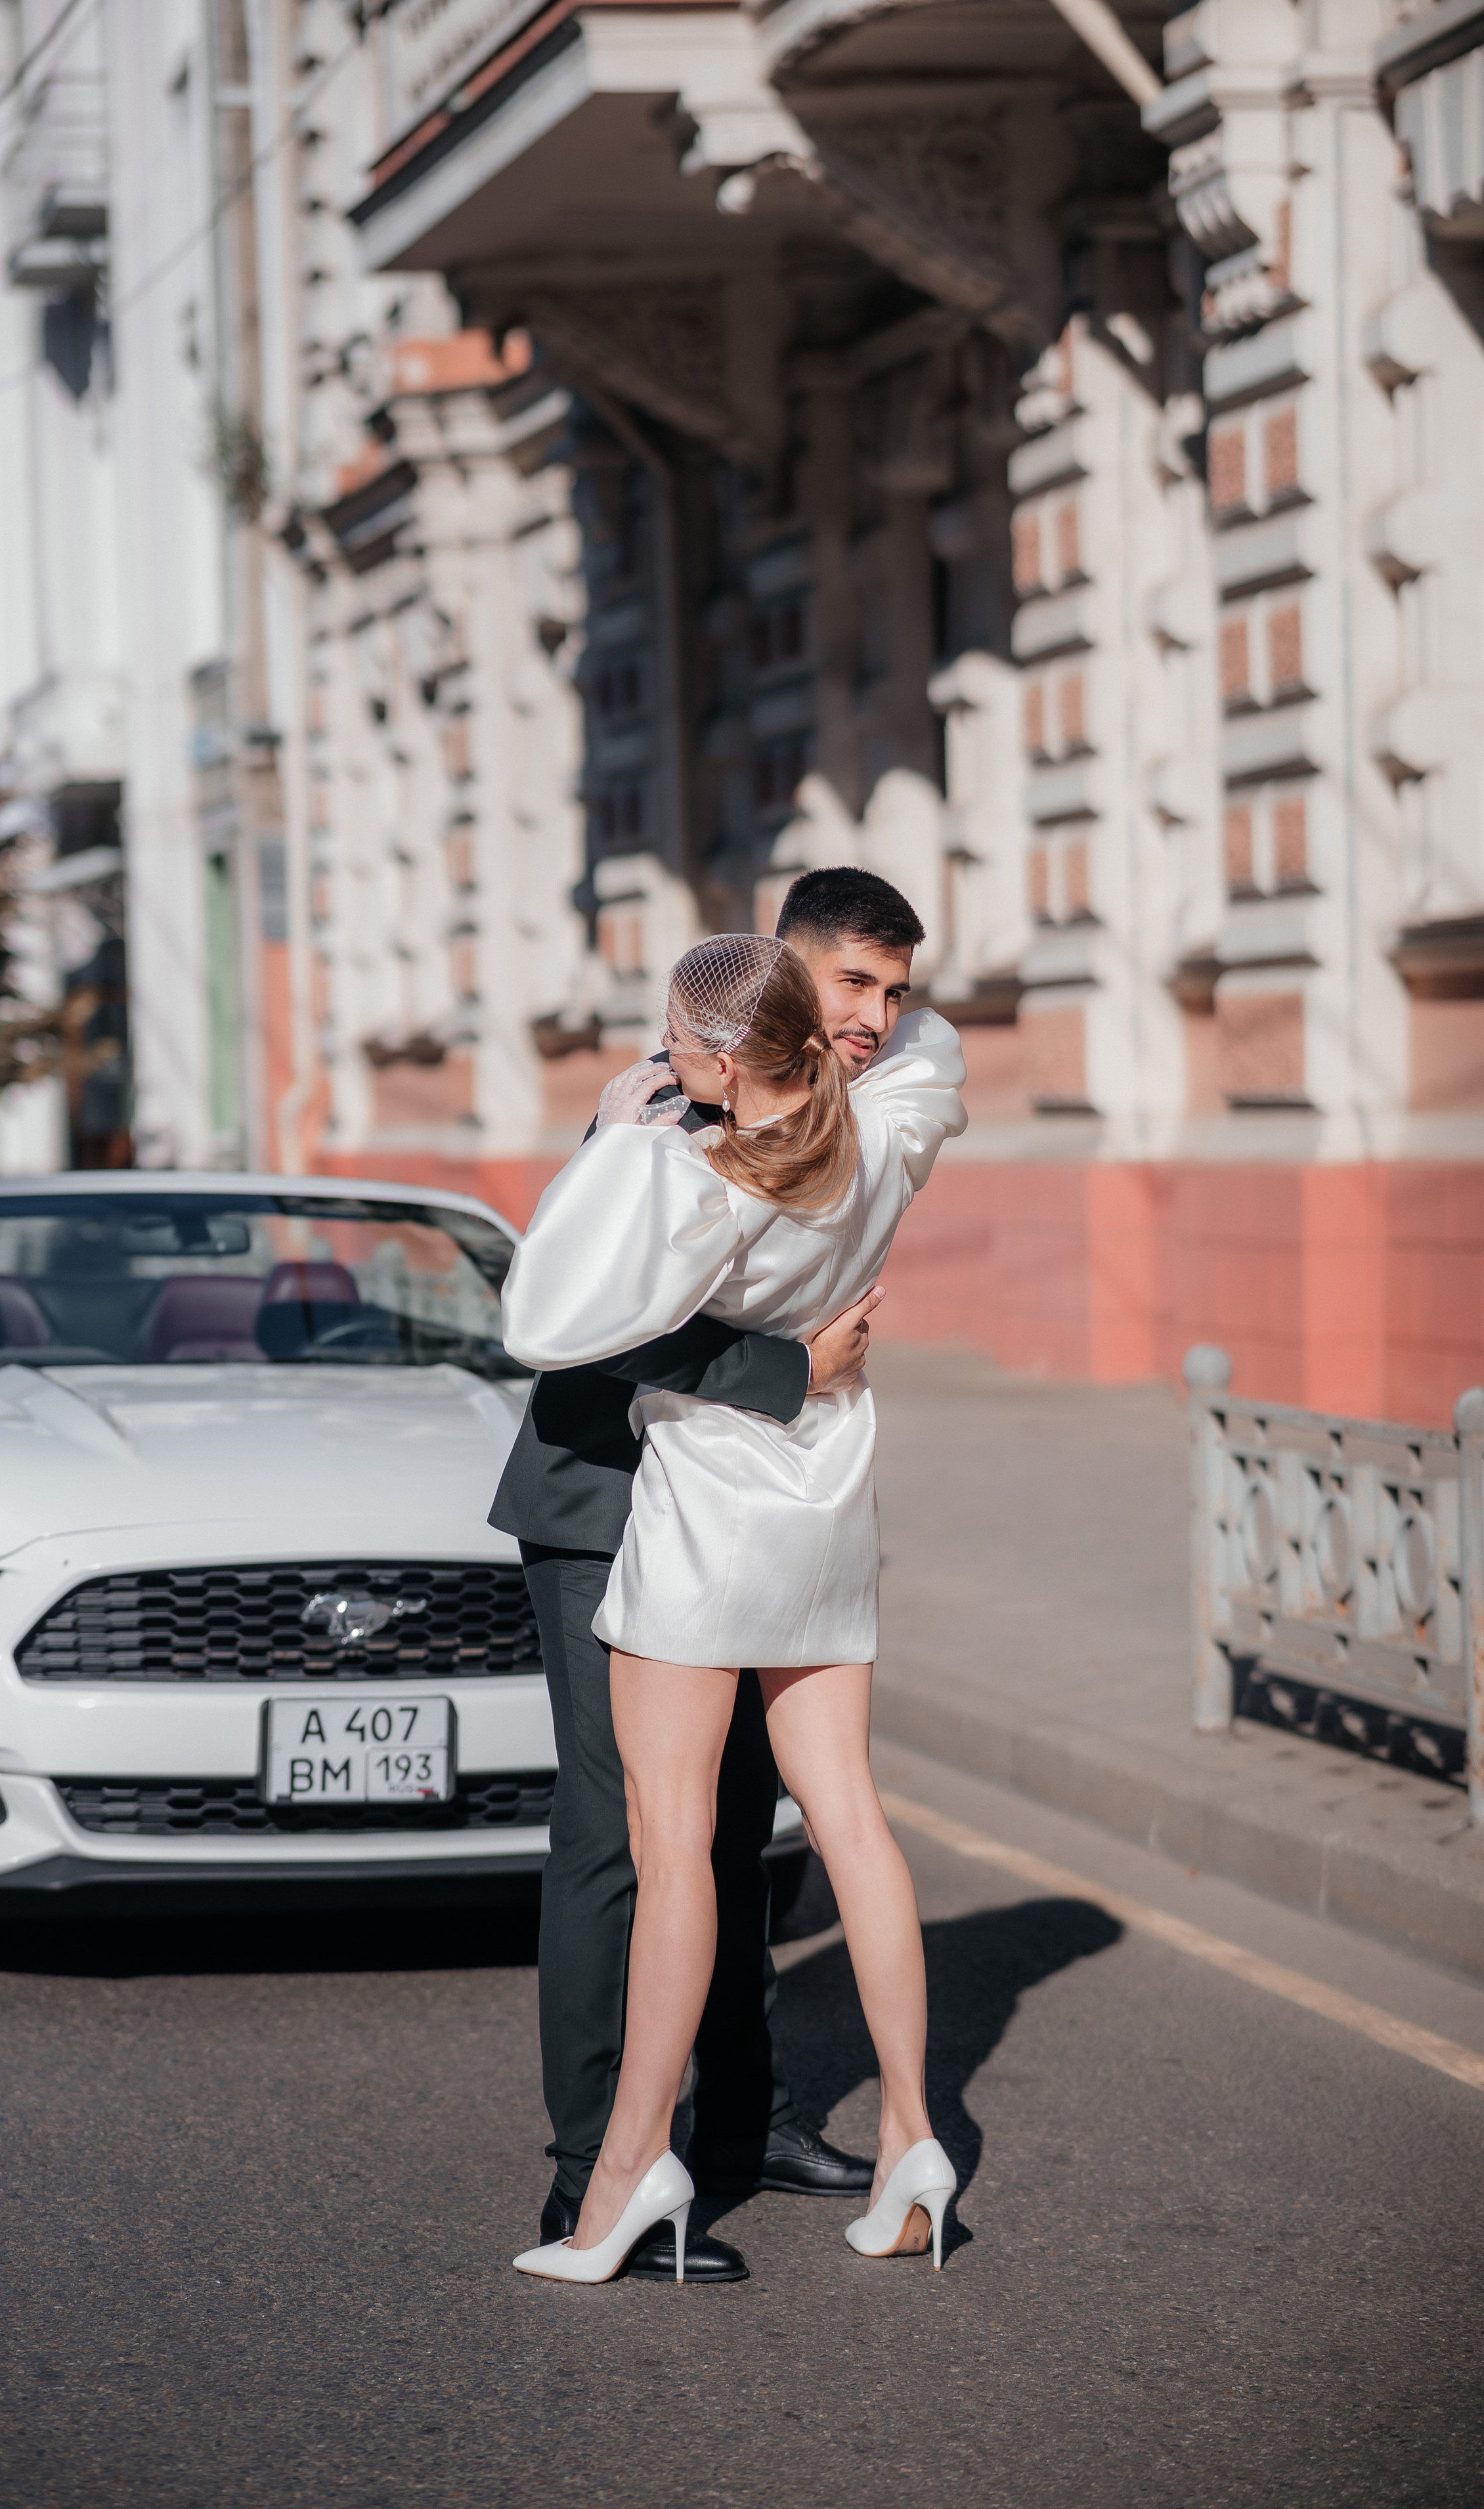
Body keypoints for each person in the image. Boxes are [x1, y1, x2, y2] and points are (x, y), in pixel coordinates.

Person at [503, 928, 966, 2284]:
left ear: (709, 1056)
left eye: (677, 1041)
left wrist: (616, 1128)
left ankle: (624, 2176)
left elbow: (547, 1314)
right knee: (851, 1821)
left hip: (705, 1520)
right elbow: (922, 1050)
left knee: (668, 1850)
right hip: (826, 1510)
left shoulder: (682, 1170)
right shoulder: (879, 1144)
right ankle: (911, 2139)